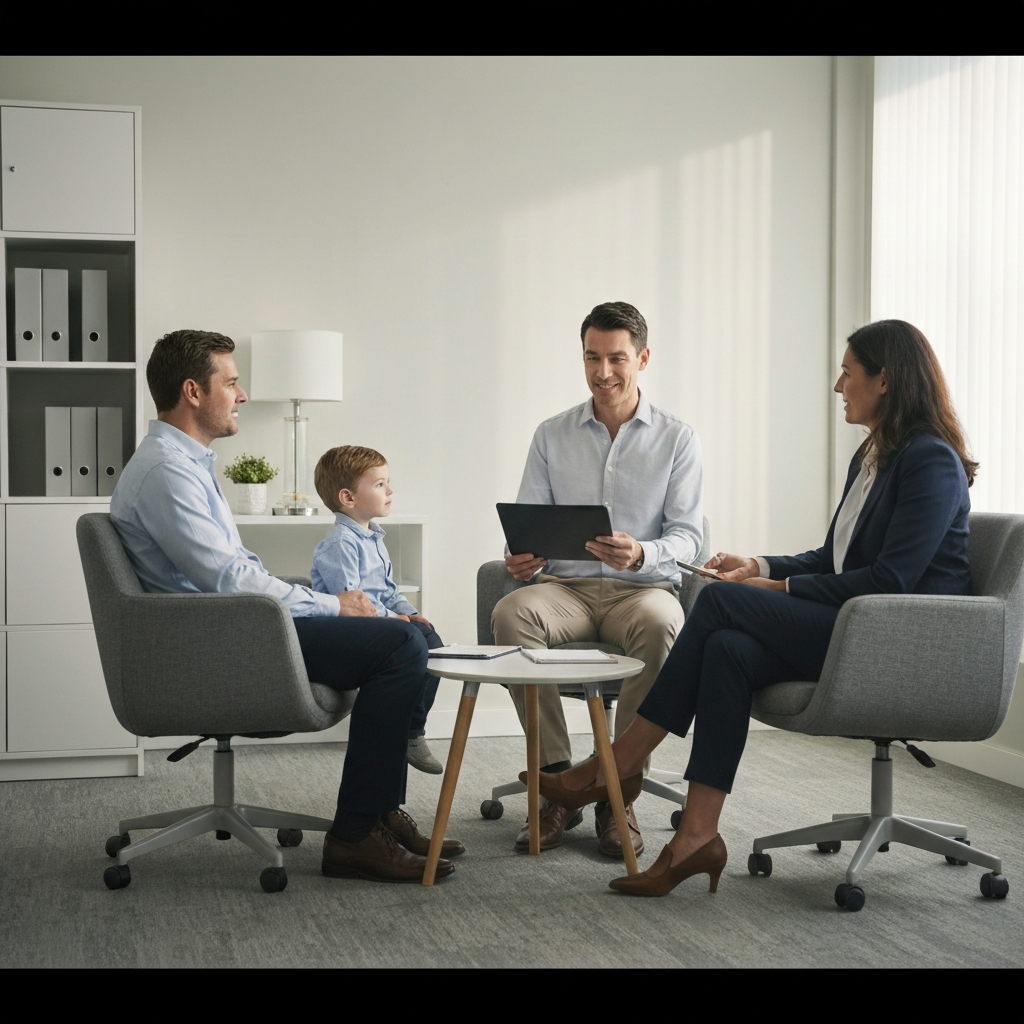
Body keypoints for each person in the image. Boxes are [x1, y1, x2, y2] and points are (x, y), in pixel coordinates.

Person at [530, 319, 976, 896]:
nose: (838, 386)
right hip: (855, 622)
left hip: (897, 639)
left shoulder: (929, 460)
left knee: (718, 603)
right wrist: (759, 565)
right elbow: (834, 559)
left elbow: (892, 580)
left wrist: (779, 590)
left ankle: (618, 763)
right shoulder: (874, 456)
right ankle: (696, 837)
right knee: (728, 648)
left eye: (847, 373)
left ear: (885, 380)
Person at [110, 330, 464, 884]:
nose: (242, 394)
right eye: (231, 382)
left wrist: (322, 604)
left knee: (409, 635)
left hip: (230, 625)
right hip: (219, 640)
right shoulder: (167, 472)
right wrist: (331, 605)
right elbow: (227, 579)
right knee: (399, 644)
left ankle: (378, 811)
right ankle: (354, 836)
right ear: (193, 392)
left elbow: (232, 573)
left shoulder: (184, 463)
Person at [493, 301, 703, 858]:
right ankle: (558, 783)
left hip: (643, 590)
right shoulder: (551, 434)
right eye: (592, 357)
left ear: (643, 358)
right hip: (566, 589)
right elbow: (528, 522)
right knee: (511, 612)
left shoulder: (677, 439)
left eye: (616, 358)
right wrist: (521, 557)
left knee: (662, 623)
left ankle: (618, 791)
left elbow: (689, 538)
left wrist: (642, 553)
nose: (603, 372)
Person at [310, 445, 445, 775]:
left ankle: (411, 728)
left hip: (378, 622)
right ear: (348, 497)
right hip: (349, 630)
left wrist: (409, 612)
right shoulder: (341, 543)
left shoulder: (373, 538)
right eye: (380, 484)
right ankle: (410, 732)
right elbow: (353, 602)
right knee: (419, 642)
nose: (390, 491)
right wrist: (394, 619)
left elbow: (388, 591)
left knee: (433, 643)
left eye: (388, 483)